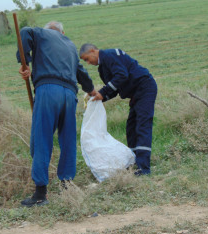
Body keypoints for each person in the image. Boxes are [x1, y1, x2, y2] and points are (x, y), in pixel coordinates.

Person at [17, 22, 95, 207]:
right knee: (67, 140)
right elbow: (80, 72)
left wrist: (24, 62)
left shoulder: (40, 33)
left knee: (42, 139)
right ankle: (67, 186)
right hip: (69, 94)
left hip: (48, 90)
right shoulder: (69, 45)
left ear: (47, 30)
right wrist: (91, 90)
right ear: (62, 32)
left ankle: (40, 194)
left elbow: (25, 32)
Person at [79, 44, 157, 176]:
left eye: (87, 59)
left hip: (144, 88)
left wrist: (102, 92)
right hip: (135, 94)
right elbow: (115, 89)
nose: (87, 63)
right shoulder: (102, 69)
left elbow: (121, 75)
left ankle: (144, 168)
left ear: (93, 51)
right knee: (131, 128)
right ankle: (134, 162)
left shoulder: (110, 55)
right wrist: (98, 98)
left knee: (142, 125)